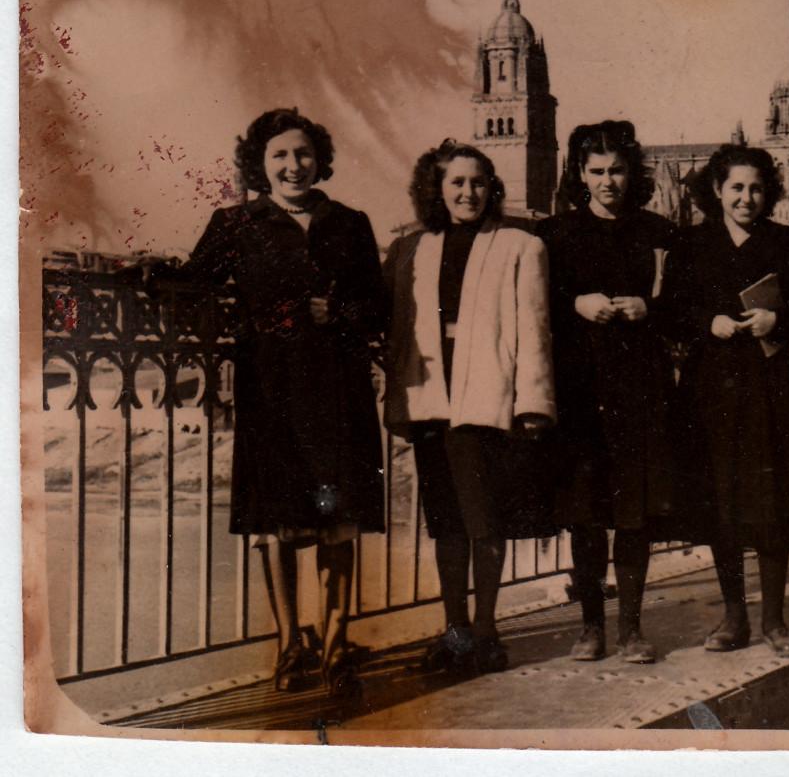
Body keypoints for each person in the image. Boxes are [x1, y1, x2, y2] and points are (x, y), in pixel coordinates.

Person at [140, 108, 387, 697]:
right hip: (271, 394)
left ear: (318, 159)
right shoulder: (235, 224)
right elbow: (193, 283)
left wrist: (342, 315)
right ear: (261, 163)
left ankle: (333, 647)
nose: (292, 165)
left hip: (338, 395)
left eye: (302, 154)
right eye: (279, 155)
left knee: (338, 525)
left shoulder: (351, 223)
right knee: (277, 524)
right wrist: (146, 273)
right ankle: (288, 646)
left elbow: (379, 309)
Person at [383, 139, 555, 674]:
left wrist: (533, 403)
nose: (468, 192)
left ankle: (486, 631)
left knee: (485, 518)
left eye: (478, 182)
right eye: (456, 182)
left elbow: (534, 330)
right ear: (436, 189)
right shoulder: (412, 248)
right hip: (432, 395)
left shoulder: (520, 246)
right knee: (446, 521)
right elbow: (393, 329)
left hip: (487, 395)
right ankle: (454, 630)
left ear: (492, 188)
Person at [660, 144, 789, 658]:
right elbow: (669, 312)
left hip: (768, 388)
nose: (746, 198)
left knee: (771, 503)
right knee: (721, 505)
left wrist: (777, 321)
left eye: (756, 188)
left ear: (769, 192)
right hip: (708, 391)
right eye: (736, 187)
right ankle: (734, 618)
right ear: (717, 190)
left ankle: (776, 621)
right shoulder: (691, 245)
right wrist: (704, 322)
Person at [536, 120, 678, 664]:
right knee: (587, 513)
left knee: (634, 513)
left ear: (631, 172)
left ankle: (633, 629)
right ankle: (590, 626)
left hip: (640, 388)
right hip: (580, 391)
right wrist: (576, 304)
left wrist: (651, 309)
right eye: (596, 171)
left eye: (617, 170)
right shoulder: (555, 235)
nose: (608, 181)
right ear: (579, 174)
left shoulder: (658, 231)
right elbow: (536, 304)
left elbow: (682, 307)